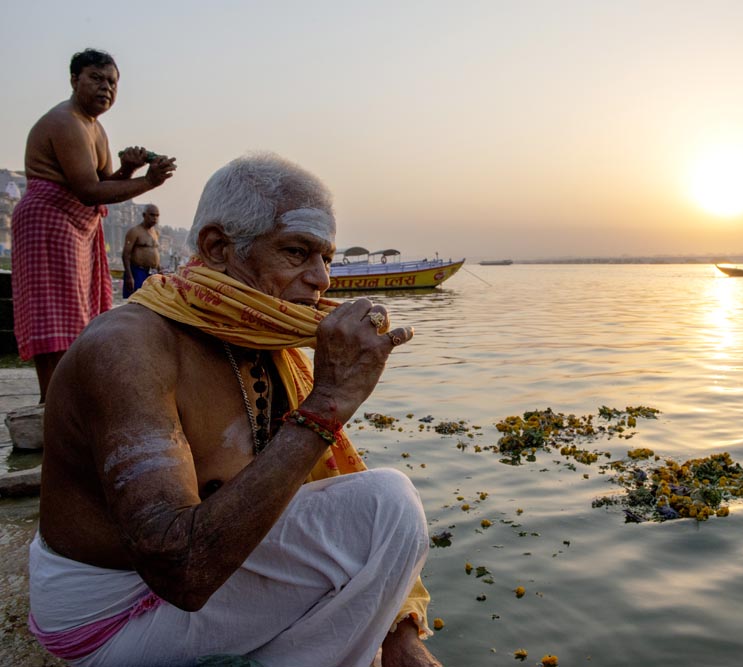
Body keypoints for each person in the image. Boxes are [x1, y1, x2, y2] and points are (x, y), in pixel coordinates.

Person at [29, 153, 441, 667]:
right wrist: (328, 404)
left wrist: (397, 630)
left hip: (196, 585)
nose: (322, 280)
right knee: (388, 505)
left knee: (372, 514)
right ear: (218, 248)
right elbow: (179, 570)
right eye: (297, 252)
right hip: (112, 617)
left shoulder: (265, 337)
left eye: (327, 258)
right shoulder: (128, 347)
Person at [11, 48, 177, 401]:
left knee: (81, 315)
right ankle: (52, 402)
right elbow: (88, 191)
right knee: (53, 314)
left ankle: (73, 400)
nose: (106, 88)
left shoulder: (95, 128)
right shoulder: (65, 122)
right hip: (49, 221)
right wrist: (149, 183)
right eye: (96, 79)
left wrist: (129, 170)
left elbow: (105, 184)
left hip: (79, 226)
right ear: (75, 80)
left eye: (112, 82)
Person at [121, 203, 161, 298]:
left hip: (152, 272)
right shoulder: (135, 231)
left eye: (157, 215)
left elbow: (155, 253)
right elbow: (126, 254)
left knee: (150, 301)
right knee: (136, 300)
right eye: (152, 215)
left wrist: (159, 269)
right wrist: (129, 276)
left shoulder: (155, 233)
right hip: (137, 271)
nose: (154, 218)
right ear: (144, 215)